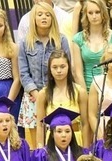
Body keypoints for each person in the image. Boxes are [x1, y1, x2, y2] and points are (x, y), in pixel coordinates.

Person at [18, 2, 72, 149]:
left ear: (52, 18)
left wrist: (52, 93)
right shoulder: (25, 42)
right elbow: (23, 73)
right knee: (36, 144)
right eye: (40, 14)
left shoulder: (61, 40)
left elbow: (67, 67)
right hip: (32, 97)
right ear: (33, 18)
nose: (44, 17)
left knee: (58, 137)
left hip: (57, 95)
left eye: (48, 15)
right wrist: (37, 94)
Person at [36, 49, 90, 148]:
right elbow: (40, 125)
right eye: (55, 67)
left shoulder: (79, 92)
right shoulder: (43, 94)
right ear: (50, 69)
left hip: (76, 141)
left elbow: (85, 123)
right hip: (52, 142)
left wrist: (86, 148)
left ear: (68, 67)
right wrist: (40, 148)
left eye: (62, 66)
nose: (59, 71)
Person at [72, 0, 112, 92]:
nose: (94, 16)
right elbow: (78, 73)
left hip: (110, 90)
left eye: (97, 12)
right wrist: (85, 95)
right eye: (90, 13)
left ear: (103, 13)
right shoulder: (78, 39)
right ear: (86, 15)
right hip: (87, 89)